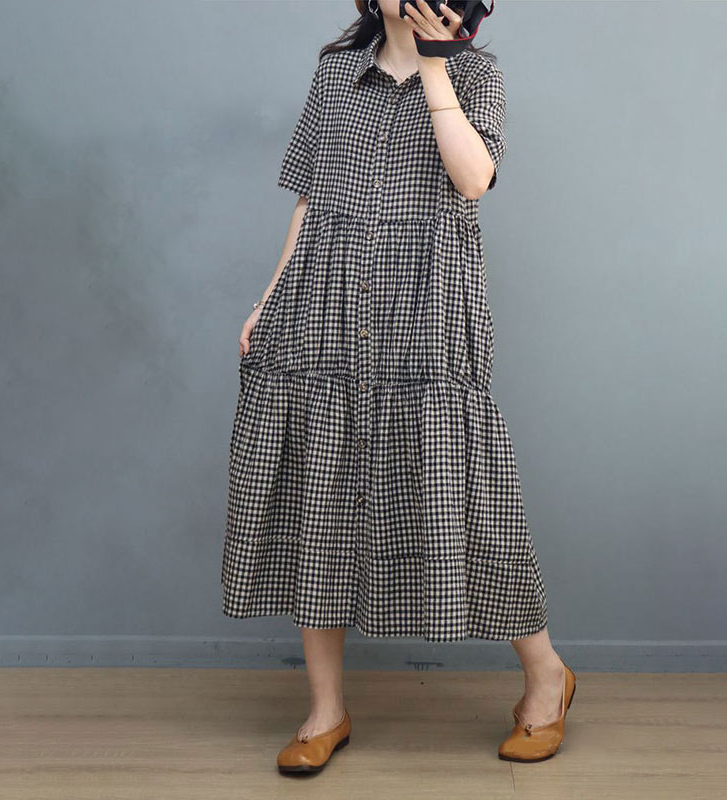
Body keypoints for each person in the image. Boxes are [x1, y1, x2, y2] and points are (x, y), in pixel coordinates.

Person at [220, 0, 576, 773]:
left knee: (468, 495)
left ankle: (547, 677)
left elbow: (473, 179)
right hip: (324, 303)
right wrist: (268, 299)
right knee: (319, 491)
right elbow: (310, 200)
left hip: (429, 303)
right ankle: (325, 710)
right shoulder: (333, 77)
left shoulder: (477, 75)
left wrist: (437, 63)